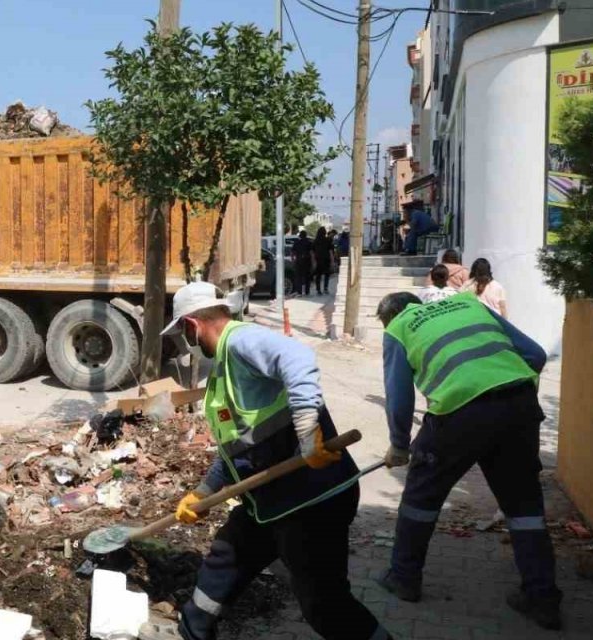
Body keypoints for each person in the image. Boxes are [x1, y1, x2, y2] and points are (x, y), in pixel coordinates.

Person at [160, 282, 391, 640]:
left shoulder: (240, 341)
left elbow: (297, 358)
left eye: (184, 335)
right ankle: (193, 631)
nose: (188, 343)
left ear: (192, 325)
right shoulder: (224, 370)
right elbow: (237, 448)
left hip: (310, 502)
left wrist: (306, 433)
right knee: (225, 559)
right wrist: (203, 492)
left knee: (324, 604)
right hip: (269, 503)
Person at [373, 291, 561, 630]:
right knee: (524, 506)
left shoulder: (398, 327)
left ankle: (403, 577)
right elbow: (533, 353)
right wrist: (502, 389)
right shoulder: (469, 303)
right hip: (519, 406)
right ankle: (542, 597)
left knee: (421, 498)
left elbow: (398, 396)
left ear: (390, 316)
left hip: (459, 415)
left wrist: (399, 445)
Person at [312, 227, 335, 295]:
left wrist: (314, 261)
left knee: (318, 275)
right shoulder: (328, 240)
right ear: (325, 233)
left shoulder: (315, 241)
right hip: (326, 259)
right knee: (326, 274)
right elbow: (330, 252)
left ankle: (318, 290)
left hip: (318, 259)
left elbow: (312, 252)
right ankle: (325, 288)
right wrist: (332, 261)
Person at [292, 230, 314, 296]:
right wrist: (313, 262)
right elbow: (311, 253)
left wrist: (293, 260)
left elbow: (293, 253)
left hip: (298, 261)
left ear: (300, 236)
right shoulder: (309, 243)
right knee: (307, 276)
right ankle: (307, 291)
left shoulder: (296, 242)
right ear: (306, 235)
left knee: (298, 277)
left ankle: (299, 292)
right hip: (307, 261)